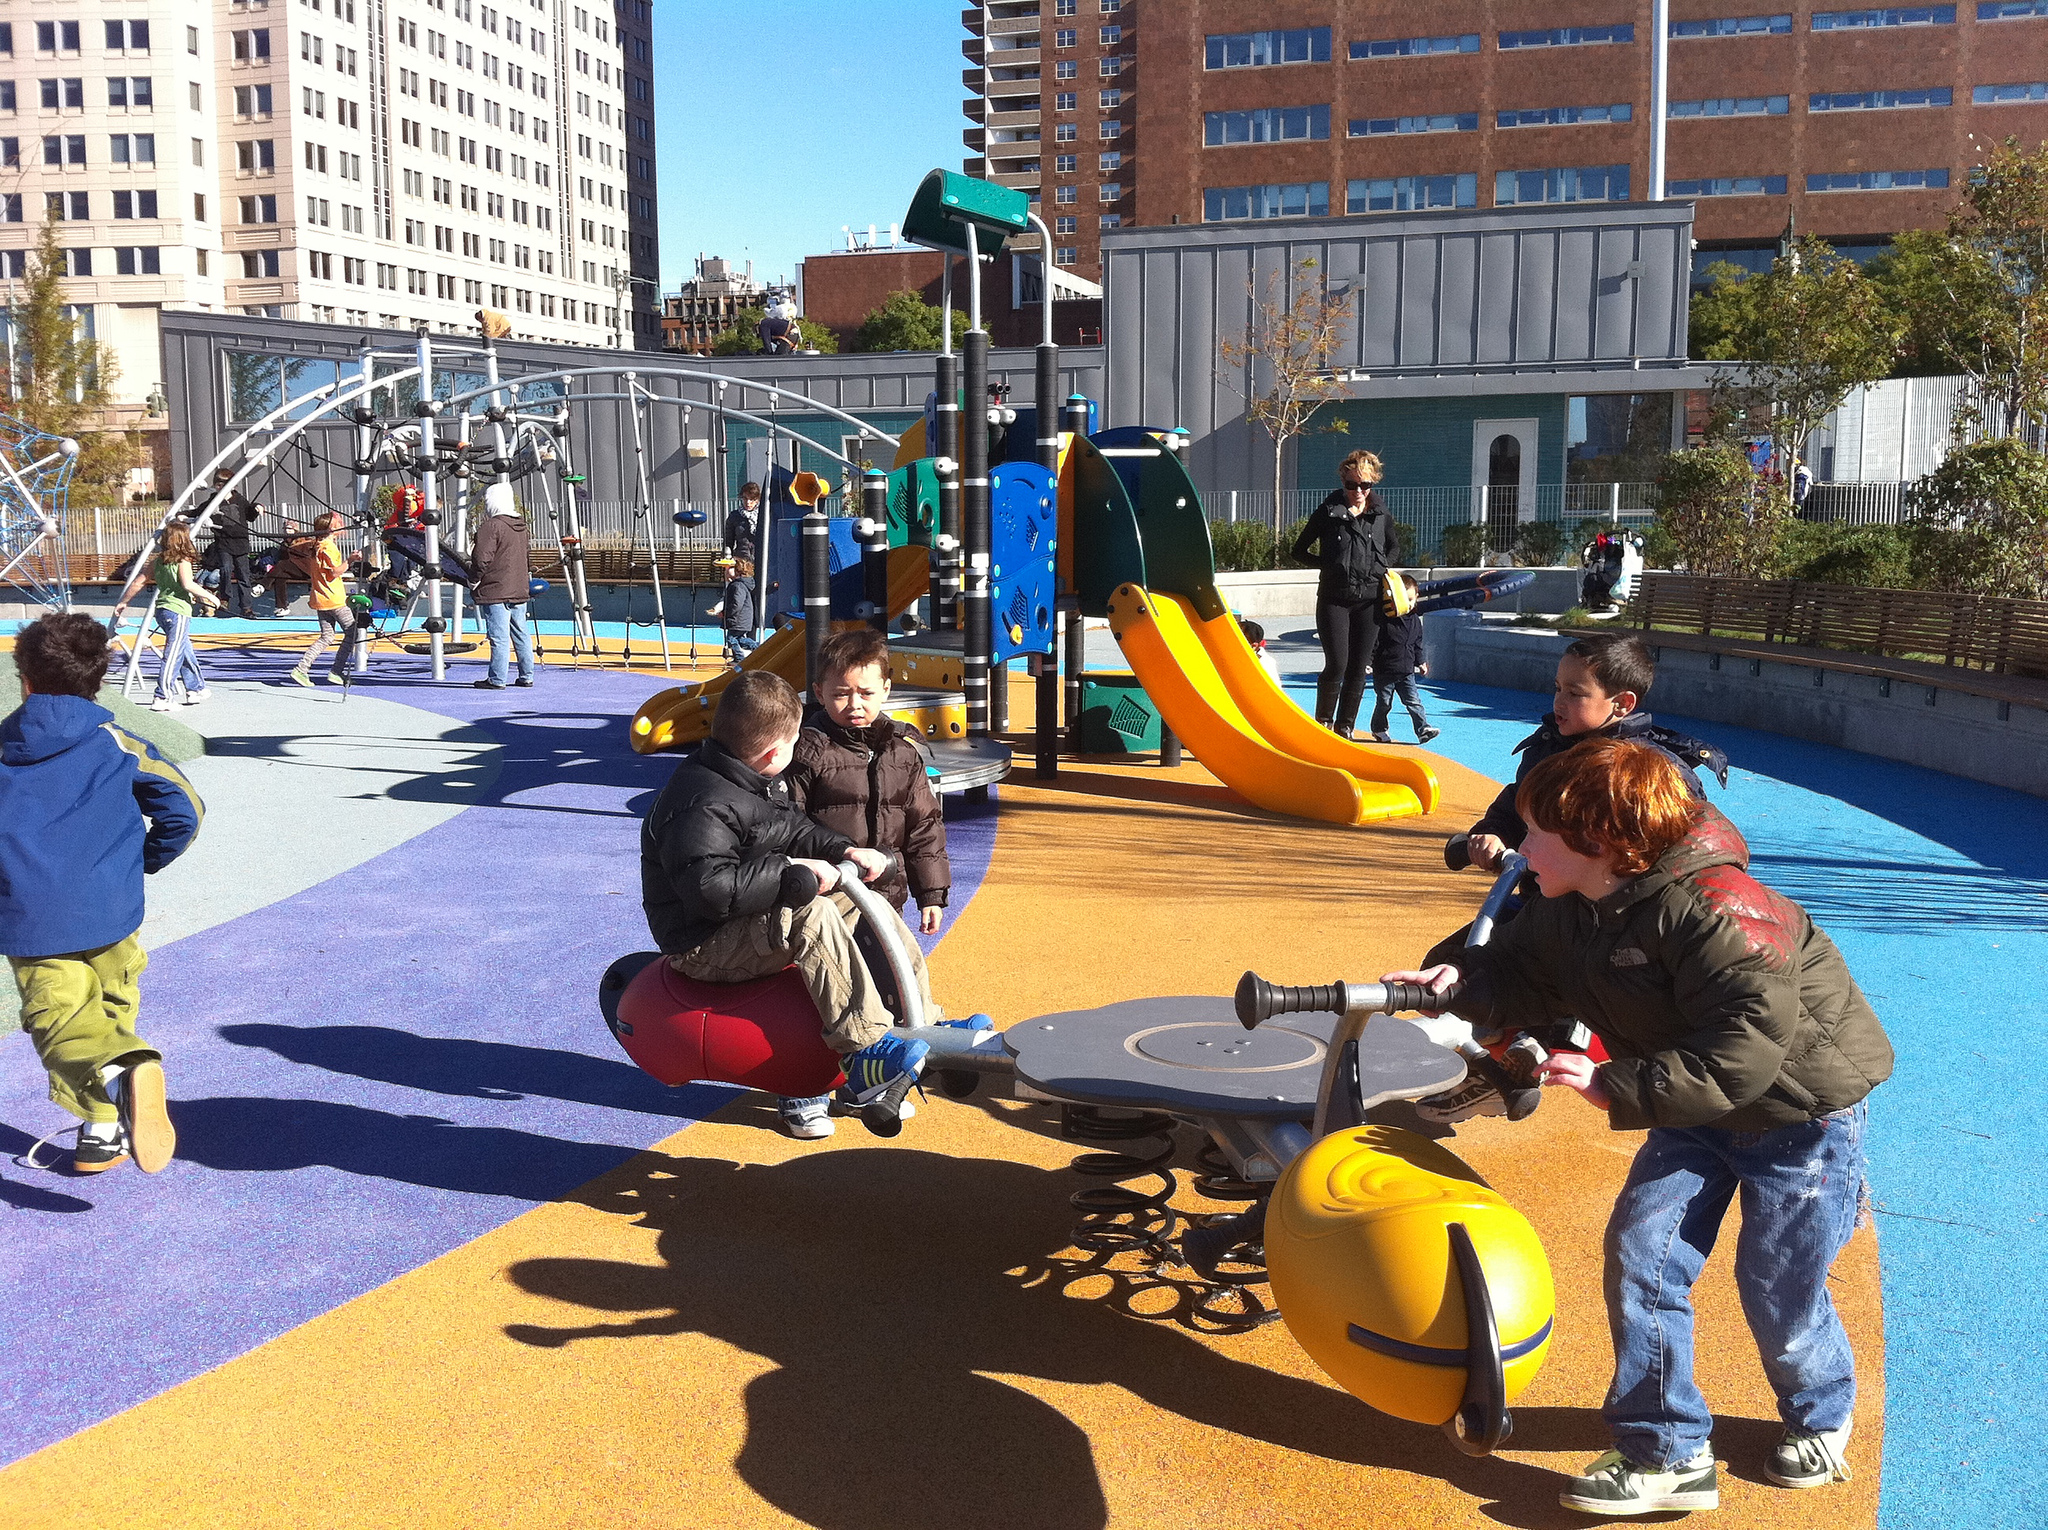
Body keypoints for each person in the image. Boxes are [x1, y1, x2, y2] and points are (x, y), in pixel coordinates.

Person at [1384, 739, 1891, 1515]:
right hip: (1689, 1109)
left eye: (1537, 832)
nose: (1520, 848)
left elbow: (1743, 1051)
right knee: (1643, 1255)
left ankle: (1820, 1415)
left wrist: (1609, 1083)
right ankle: (1668, 1450)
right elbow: (1519, 970)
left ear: (1604, 843)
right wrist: (1461, 982)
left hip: (1799, 1120)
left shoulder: (1723, 912)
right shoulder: (1569, 905)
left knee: (1778, 1286)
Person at [639, 670, 930, 1135]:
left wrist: (843, 851)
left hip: (741, 919)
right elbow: (711, 891)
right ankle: (865, 1049)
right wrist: (793, 875)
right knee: (811, 915)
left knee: (863, 903)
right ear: (777, 751)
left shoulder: (754, 780)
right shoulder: (700, 802)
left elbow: (793, 829)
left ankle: (919, 1023)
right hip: (703, 943)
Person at [2, 613, 202, 1174]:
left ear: (25, 678)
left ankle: (122, 1074)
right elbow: (184, 810)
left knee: (59, 1021)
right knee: (111, 1005)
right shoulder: (117, 741)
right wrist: (144, 860)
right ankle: (104, 1125)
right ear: (99, 677)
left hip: (35, 917)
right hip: (114, 907)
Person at [778, 628, 951, 1139]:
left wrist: (932, 891)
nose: (854, 704)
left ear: (887, 690)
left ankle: (861, 1084)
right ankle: (802, 1090)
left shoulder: (903, 751)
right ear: (819, 691)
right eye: (840, 693)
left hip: (881, 896)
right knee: (821, 994)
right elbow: (787, 821)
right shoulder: (807, 751)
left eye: (866, 693)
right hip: (827, 901)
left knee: (879, 991)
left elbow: (924, 825)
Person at [1455, 632, 1726, 876]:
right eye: (1558, 688)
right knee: (1483, 932)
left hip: (1614, 915)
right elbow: (1520, 805)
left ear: (1621, 704)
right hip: (1543, 900)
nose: (1559, 701)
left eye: (1575, 693)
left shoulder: (1649, 772)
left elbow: (1680, 847)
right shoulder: (1548, 748)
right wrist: (1495, 832)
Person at [1293, 448, 1398, 738]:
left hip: (1369, 602)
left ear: (1373, 483)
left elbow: (1394, 547)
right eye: (1351, 485)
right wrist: (1329, 566)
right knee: (1337, 663)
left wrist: (1382, 568)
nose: (1358, 491)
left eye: (1365, 485)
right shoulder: (1329, 512)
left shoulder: (1380, 514)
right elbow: (1298, 550)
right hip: (1333, 599)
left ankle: (1346, 726)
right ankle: (1324, 722)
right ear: (1343, 483)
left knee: (1358, 667)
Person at [111, 524, 223, 712]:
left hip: (163, 610)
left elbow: (139, 582)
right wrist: (210, 596)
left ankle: (195, 688)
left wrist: (124, 601)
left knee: (184, 648)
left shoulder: (158, 562)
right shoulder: (183, 561)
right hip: (178, 611)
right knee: (173, 654)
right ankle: (162, 695)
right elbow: (188, 584)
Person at [470, 481, 536, 690]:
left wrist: (474, 579)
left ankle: (497, 678)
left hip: (496, 589)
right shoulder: (521, 526)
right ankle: (527, 675)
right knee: (521, 634)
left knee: (498, 636)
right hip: (518, 588)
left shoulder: (492, 525)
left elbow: (482, 558)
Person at [286, 511, 362, 687]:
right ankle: (336, 670)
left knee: (327, 636)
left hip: (321, 598)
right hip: (333, 599)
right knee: (352, 631)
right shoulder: (327, 548)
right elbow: (334, 572)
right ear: (331, 528)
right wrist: (350, 560)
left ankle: (302, 668)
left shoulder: (316, 546)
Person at [1367, 575, 1439, 746]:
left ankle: (1422, 730)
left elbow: (1416, 644)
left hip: (1406, 671)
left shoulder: (1415, 621)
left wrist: (1420, 662)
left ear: (1417, 598)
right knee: (1384, 702)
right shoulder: (1386, 620)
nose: (1407, 604)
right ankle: (1379, 728)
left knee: (1414, 702)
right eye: (1403, 599)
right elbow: (1374, 643)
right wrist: (1368, 662)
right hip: (1385, 670)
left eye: (1411, 599)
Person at [198, 467, 263, 619]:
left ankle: (246, 607)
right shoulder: (213, 500)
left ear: (233, 485)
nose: (220, 487)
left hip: (240, 542)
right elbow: (198, 511)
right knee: (225, 569)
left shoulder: (239, 499)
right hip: (223, 542)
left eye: (224, 484)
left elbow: (250, 515)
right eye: (218, 484)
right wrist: (181, 515)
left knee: (244, 576)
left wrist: (258, 507)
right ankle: (225, 599)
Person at [709, 555, 758, 667]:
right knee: (739, 639)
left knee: (731, 639)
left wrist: (727, 613)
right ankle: (757, 647)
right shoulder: (743, 584)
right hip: (742, 618)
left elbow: (736, 603)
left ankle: (739, 658)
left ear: (737, 572)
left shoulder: (738, 586)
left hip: (738, 618)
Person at [723, 482, 763, 565]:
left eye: (751, 499)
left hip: (761, 559)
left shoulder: (764, 515)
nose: (748, 502)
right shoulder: (734, 516)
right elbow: (728, 540)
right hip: (741, 561)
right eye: (745, 498)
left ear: (757, 500)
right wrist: (727, 557)